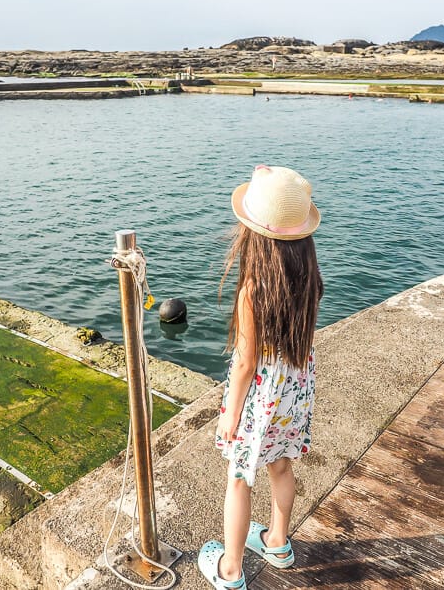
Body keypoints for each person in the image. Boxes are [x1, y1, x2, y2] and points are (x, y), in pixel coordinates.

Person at [198, 165, 323, 589]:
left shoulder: (254, 288)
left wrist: (230, 413)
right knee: (281, 466)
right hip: (294, 390)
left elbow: (247, 362)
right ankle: (277, 542)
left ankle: (230, 570)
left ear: (252, 232)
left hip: (260, 395)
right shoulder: (309, 278)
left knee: (239, 476)